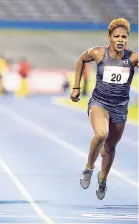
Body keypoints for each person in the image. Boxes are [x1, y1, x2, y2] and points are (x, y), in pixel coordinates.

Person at [70, 18, 138, 200]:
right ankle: (89, 168)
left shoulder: (133, 58)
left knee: (110, 147)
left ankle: (103, 179)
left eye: (124, 36)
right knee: (101, 134)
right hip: (99, 102)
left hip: (120, 107)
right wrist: (76, 86)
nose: (120, 39)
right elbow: (81, 60)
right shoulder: (98, 53)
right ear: (109, 38)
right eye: (116, 36)